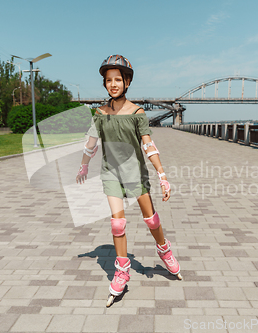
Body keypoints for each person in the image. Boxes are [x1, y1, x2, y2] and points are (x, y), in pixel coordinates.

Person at [75, 54, 182, 307]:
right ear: (105, 83)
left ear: (127, 82)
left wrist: (162, 175)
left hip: (135, 172)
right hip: (111, 172)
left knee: (151, 219)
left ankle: (164, 249)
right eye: (108, 80)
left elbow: (149, 145)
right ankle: (121, 271)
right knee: (117, 224)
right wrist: (83, 165)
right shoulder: (99, 113)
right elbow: (91, 144)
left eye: (118, 79)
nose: (113, 84)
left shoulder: (137, 112)